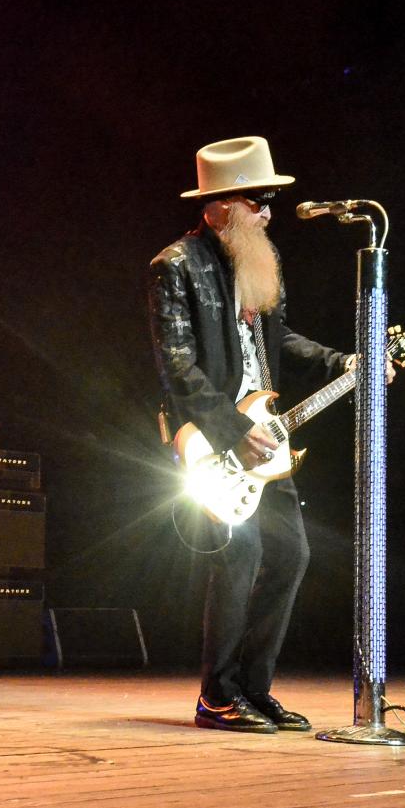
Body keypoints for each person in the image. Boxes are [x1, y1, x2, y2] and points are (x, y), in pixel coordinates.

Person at [148, 136, 375, 734]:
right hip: (211, 437)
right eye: (259, 201)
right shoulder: (175, 267)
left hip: (263, 438)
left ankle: (254, 689)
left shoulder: (257, 262)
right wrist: (233, 427)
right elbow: (178, 368)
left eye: (271, 201)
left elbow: (281, 341)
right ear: (220, 204)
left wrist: (341, 362)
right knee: (241, 553)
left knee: (293, 554)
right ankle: (215, 695)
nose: (269, 213)